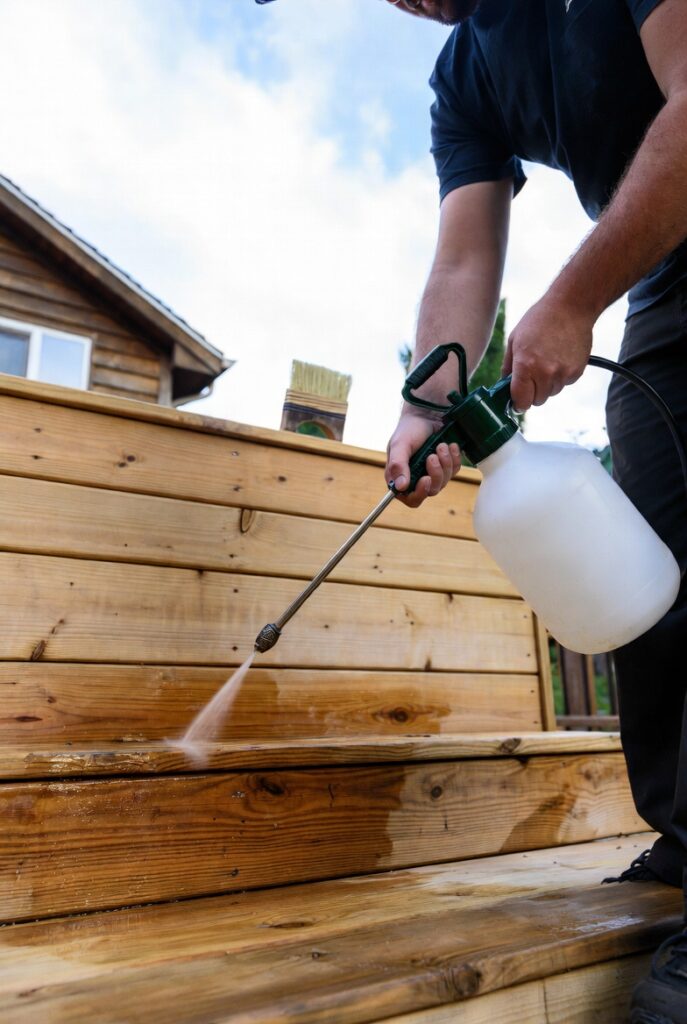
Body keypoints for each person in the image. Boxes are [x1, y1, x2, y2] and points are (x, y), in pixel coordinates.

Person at [257, 1, 687, 1019]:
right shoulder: (463, 81)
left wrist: (571, 300)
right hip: (665, 284)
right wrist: (423, 407)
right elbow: (461, 262)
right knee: (656, 547)